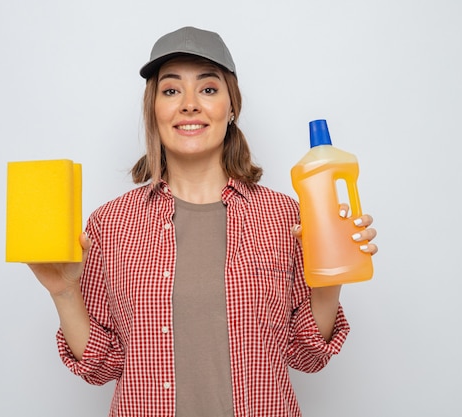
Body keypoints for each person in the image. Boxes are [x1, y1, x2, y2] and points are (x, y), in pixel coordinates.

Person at [28, 26, 378, 417]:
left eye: (208, 89)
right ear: (154, 110)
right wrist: (63, 292)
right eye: (172, 90)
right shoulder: (110, 224)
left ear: (231, 108)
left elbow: (307, 355)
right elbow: (102, 365)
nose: (190, 104)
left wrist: (331, 273)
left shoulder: (286, 217)